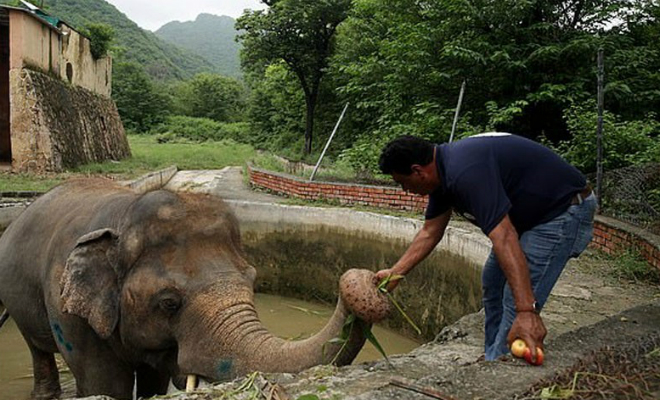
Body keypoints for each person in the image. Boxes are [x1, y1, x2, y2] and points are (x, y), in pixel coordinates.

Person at [375, 133, 596, 362]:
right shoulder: (442, 177)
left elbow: (504, 236)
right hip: (528, 221)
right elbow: (430, 232)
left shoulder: (465, 172)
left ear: (418, 171)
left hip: (562, 212)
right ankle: (494, 353)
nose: (405, 190)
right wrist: (395, 274)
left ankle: (500, 364)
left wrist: (526, 311)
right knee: (493, 282)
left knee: (516, 299)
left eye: (403, 183)